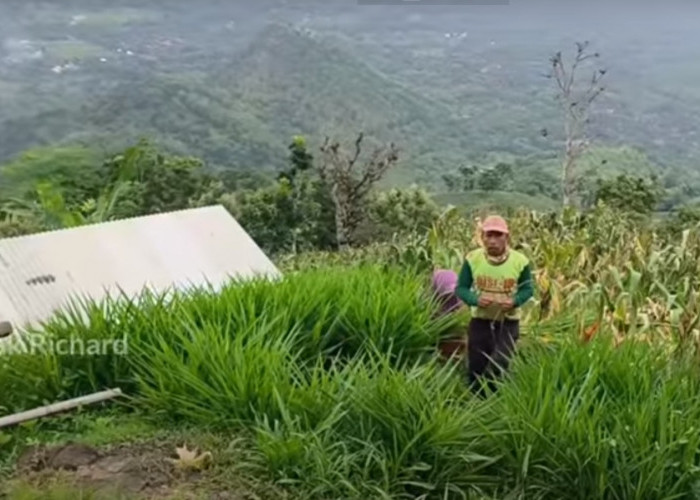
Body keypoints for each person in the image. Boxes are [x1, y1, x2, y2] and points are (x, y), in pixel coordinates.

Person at [455, 214, 534, 396]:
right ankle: (476, 402)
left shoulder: (519, 261)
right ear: (482, 237)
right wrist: (475, 300)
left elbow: (527, 290)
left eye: (498, 235)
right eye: (488, 235)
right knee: (476, 365)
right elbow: (461, 288)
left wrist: (514, 301)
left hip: (508, 322)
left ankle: (497, 399)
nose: (492, 240)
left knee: (500, 363)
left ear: (507, 237)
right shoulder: (473, 259)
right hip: (480, 321)